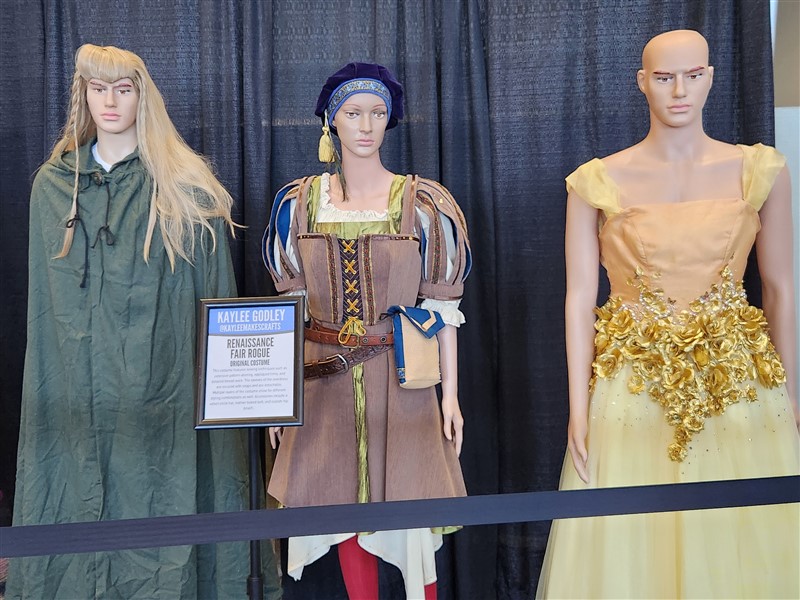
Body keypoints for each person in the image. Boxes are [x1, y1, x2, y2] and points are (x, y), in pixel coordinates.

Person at [7, 44, 280, 599]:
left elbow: (213, 306)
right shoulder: (53, 188)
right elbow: (46, 319)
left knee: (164, 507)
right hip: (74, 397)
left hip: (165, 397)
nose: (110, 101)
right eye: (98, 88)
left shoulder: (185, 189)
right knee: (73, 497)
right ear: (83, 95)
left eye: (123, 89)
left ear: (142, 97)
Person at [537, 30, 800, 598]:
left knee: (742, 546)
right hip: (633, 390)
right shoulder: (596, 182)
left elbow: (780, 288)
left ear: (710, 77)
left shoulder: (759, 171)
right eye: (663, 78)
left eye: (692, 75)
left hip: (740, 388)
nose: (679, 90)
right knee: (635, 552)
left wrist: (793, 394)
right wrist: (578, 408)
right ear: (642, 83)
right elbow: (579, 298)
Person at [263, 62, 471, 599]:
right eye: (353, 113)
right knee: (342, 513)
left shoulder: (424, 204)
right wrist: (279, 400)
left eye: (378, 113)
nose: (366, 125)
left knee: (410, 518)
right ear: (331, 122)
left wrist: (451, 396)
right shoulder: (298, 205)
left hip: (403, 381)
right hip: (322, 381)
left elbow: (441, 306)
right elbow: (288, 311)